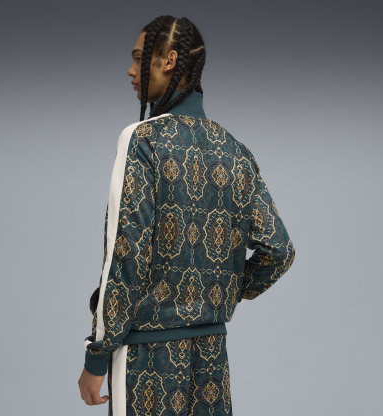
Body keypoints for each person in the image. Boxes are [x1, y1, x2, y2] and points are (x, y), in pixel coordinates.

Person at [78, 15, 295, 415]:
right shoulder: (234, 150)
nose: (130, 70)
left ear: (169, 60)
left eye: (139, 58)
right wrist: (222, 290)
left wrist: (97, 355)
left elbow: (126, 254)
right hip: (212, 355)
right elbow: (279, 251)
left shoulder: (142, 140)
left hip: (146, 359)